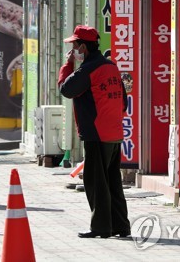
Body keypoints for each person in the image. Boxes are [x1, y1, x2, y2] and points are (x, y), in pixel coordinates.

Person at [58, 25, 130, 239]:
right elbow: (124, 102)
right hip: (115, 132)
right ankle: (121, 226)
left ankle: (101, 228)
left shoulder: (88, 69)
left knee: (96, 181)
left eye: (75, 45)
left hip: (97, 133)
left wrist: (68, 63)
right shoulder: (110, 67)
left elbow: (65, 89)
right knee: (112, 181)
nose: (73, 50)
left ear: (83, 46)